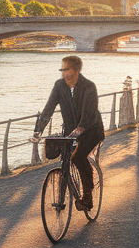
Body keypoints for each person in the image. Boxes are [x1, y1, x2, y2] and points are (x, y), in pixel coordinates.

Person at [34, 55, 105, 211]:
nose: (63, 73)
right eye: (62, 69)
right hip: (70, 130)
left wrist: (81, 128)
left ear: (76, 70)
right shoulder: (59, 86)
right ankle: (64, 191)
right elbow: (49, 108)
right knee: (65, 157)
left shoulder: (89, 86)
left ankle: (87, 196)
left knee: (79, 157)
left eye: (67, 69)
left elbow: (90, 112)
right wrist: (38, 130)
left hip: (91, 129)